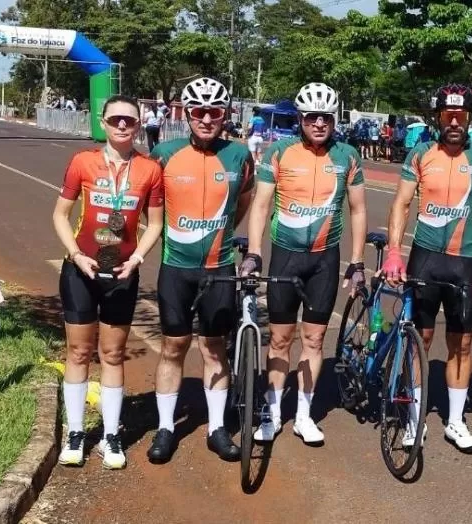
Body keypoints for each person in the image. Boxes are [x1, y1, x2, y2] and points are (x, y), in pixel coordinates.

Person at [242, 82, 367, 444]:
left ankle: (303, 415)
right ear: (300, 118)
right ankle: (271, 411)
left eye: (326, 117)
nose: (319, 123)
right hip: (286, 256)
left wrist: (357, 262)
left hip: (325, 260)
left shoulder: (347, 156)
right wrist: (254, 252)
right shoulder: (280, 152)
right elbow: (261, 205)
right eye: (312, 117)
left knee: (314, 339)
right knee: (281, 339)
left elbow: (358, 210)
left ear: (334, 120)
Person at [382, 84, 472, 451]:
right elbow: (402, 204)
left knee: (462, 343)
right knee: (421, 340)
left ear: (469, 118)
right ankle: (414, 418)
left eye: (460, 116)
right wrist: (394, 253)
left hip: (464, 263)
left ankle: (455, 421)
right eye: (448, 115)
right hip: (426, 259)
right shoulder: (420, 154)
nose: (454, 122)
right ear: (438, 117)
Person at [52, 95, 164, 470]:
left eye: (129, 120)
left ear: (138, 125)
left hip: (121, 274)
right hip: (80, 270)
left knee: (113, 354)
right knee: (78, 352)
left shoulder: (150, 169)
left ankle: (111, 436)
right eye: (115, 119)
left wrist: (137, 259)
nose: (122, 125)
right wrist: (75, 254)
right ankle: (76, 433)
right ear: (103, 122)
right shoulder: (82, 162)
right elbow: (60, 215)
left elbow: (156, 224)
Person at [146, 77, 255, 464]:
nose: (207, 119)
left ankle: (217, 428)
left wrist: (221, 235)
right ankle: (165, 428)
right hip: (176, 268)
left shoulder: (239, 155)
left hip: (219, 268)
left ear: (225, 115)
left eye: (215, 112)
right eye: (199, 111)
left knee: (213, 348)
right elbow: (150, 208)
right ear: (187, 114)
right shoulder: (163, 153)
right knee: (173, 347)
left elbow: (244, 200)